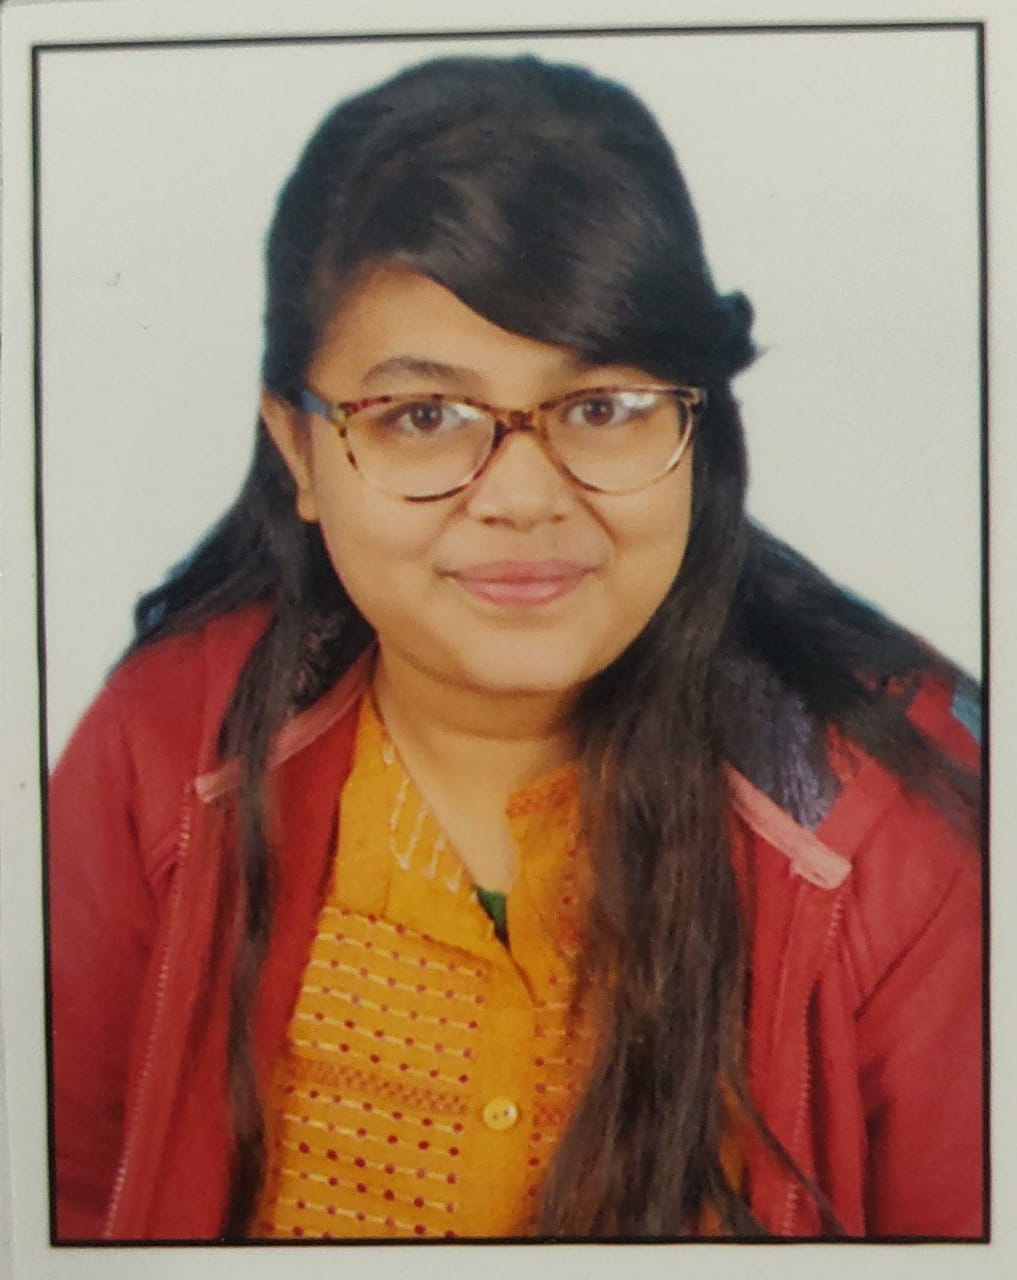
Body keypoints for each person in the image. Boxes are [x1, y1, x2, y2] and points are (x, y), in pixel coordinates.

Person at [47, 53, 982, 1243]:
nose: (525, 497)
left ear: (695, 429)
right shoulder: (163, 745)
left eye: (601, 406)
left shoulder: (898, 825)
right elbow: (56, 1204)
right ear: (299, 452)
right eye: (423, 415)